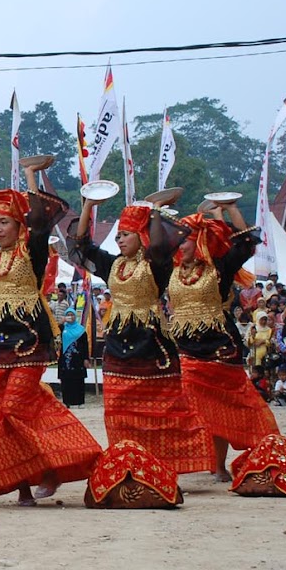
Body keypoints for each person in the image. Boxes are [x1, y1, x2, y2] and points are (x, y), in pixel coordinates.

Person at [0, 168, 101, 506]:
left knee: (15, 407)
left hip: (29, 341)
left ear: (19, 226)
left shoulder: (33, 253)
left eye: (4, 222)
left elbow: (40, 223)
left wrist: (30, 177)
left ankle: (56, 466)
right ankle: (22, 485)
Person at [69, 198, 214, 474]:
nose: (120, 240)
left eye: (126, 234)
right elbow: (82, 245)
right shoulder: (112, 264)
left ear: (141, 236)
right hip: (117, 344)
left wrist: (155, 213)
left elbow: (160, 246)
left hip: (151, 342)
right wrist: (87, 205)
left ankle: (164, 466)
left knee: (162, 412)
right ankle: (127, 464)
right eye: (119, 235)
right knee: (116, 412)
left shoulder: (156, 264)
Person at [167, 208, 279, 481]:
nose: (180, 245)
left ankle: (221, 463)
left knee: (224, 405)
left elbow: (247, 242)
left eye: (185, 240)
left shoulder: (219, 267)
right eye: (178, 240)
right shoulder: (171, 269)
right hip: (183, 345)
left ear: (199, 240)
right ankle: (200, 461)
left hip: (219, 345)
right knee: (193, 404)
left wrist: (230, 209)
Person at [58, 311, 89, 407]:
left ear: (75, 316)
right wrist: (61, 323)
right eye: (68, 315)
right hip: (66, 358)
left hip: (78, 358)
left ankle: (80, 402)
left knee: (78, 380)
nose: (70, 317)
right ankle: (67, 401)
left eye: (72, 315)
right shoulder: (63, 328)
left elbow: (85, 345)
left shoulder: (81, 330)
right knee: (66, 380)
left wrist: (86, 358)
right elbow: (54, 332)